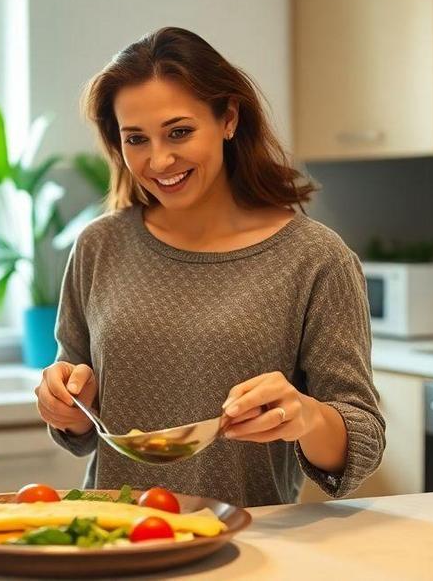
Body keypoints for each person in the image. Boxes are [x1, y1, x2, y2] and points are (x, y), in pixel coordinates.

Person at [34, 27, 384, 506]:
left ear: (229, 118)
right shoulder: (100, 246)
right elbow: (78, 411)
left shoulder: (316, 258)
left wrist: (305, 416)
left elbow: (361, 436)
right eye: (136, 139)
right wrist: (67, 405)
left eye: (179, 131)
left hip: (251, 545)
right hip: (118, 542)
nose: (159, 159)